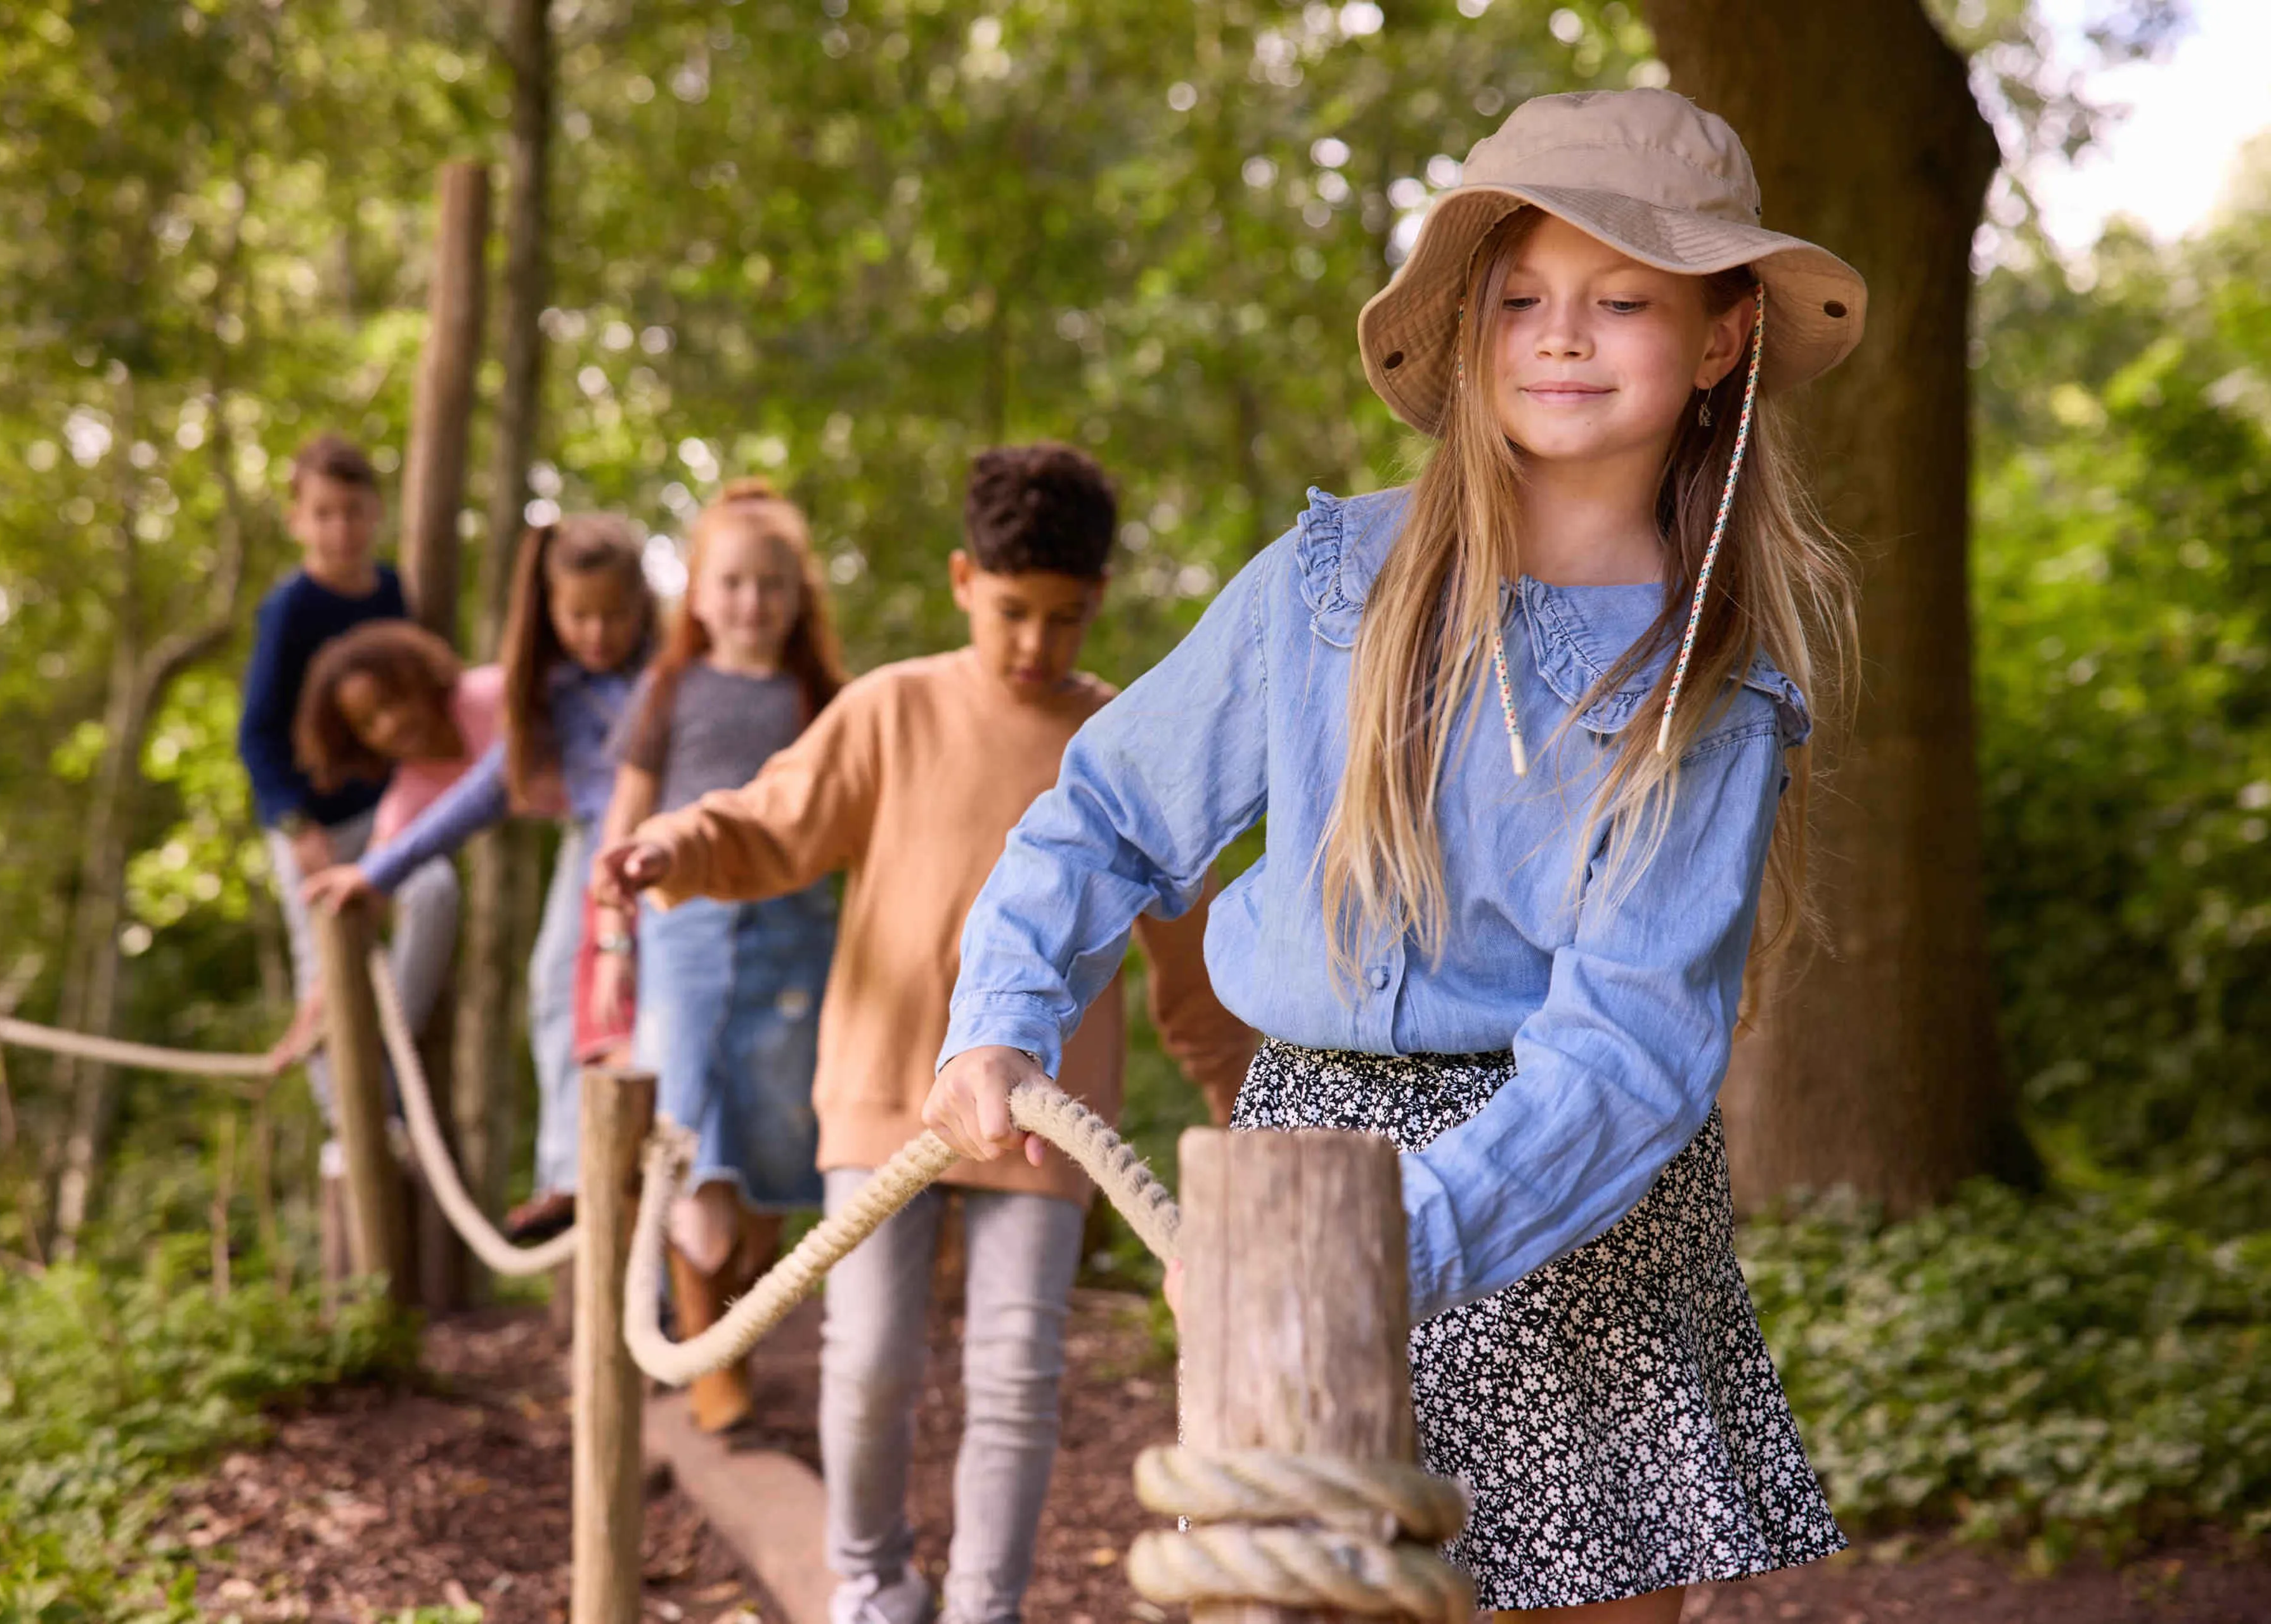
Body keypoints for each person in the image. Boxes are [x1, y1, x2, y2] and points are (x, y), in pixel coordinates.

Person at [925, 90, 1861, 1621]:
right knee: (1304, 1579)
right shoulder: (1327, 586)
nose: (1561, 335)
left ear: (1720, 336)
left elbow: (1626, 1054)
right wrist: (999, 1013)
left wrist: (1397, 1243)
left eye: (1620, 299)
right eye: (1519, 299)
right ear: (1470, 329)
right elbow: (1102, 812)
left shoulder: (1714, 691)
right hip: (1311, 1153)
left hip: (1581, 1197)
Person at [598, 444, 1257, 1624]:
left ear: (1096, 601)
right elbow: (771, 822)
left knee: (1015, 1373)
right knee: (870, 1363)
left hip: (1048, 1117)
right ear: (964, 581)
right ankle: (869, 1580)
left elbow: (1192, 953)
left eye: (1062, 618)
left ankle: (983, 1607)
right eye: (1011, 612)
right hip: (882, 1093)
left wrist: (1238, 1102)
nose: (1032, 645)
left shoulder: (1120, 744)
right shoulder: (892, 707)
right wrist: (673, 846)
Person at [304, 513, 654, 1243]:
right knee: (560, 982)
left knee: (647, 1013)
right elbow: (475, 796)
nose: (598, 633)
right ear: (552, 615)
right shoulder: (549, 693)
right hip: (596, 848)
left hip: (674, 846)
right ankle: (570, 1175)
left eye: (615, 615)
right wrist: (373, 874)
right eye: (579, 617)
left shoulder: (659, 677)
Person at [580, 477, 847, 1434]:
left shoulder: (821, 698)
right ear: (696, 593)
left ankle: (733, 1324)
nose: (750, 602)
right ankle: (707, 1353)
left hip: (793, 937)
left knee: (777, 1137)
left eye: (771, 583)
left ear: (797, 595)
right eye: (731, 582)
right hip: (682, 933)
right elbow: (623, 819)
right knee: (693, 1131)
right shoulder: (671, 690)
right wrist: (611, 938)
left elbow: (845, 817)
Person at [269, 621, 552, 1069]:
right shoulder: (408, 799)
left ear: (417, 681)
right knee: (554, 983)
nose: (390, 724)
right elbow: (368, 896)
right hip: (595, 833)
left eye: (392, 701)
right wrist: (305, 1026)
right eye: (367, 723)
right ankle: (383, 1062)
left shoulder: (493, 695)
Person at [237, 434, 408, 1112]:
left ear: (376, 513)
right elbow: (257, 734)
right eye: (325, 513)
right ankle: (348, 1127)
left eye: (354, 511)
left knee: (431, 900)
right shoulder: (289, 610)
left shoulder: (392, 591)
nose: (341, 529)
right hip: (313, 821)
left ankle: (384, 1054)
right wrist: (296, 825)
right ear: (298, 521)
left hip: (387, 812)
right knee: (323, 963)